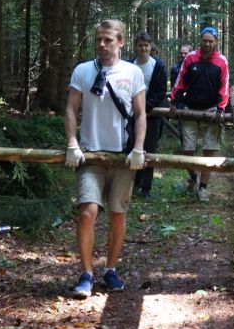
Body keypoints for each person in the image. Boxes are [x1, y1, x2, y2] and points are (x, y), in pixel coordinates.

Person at [64, 19, 146, 299]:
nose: (102, 44)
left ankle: (110, 269)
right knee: (87, 212)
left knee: (117, 214)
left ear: (121, 42)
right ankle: (86, 273)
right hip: (90, 155)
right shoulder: (83, 71)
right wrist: (72, 143)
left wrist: (138, 148)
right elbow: (71, 109)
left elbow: (141, 114)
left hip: (122, 157)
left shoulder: (133, 73)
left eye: (108, 40)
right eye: (98, 39)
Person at [169, 26, 229, 203]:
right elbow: (180, 81)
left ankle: (203, 188)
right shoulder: (190, 58)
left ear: (216, 42)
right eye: (205, 40)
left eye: (211, 41)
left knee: (209, 151)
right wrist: (174, 102)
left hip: (211, 111)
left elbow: (224, 86)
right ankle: (193, 177)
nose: (207, 44)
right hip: (190, 109)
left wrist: (221, 108)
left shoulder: (222, 61)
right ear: (200, 40)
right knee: (187, 150)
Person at [127, 32, 167, 198]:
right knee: (131, 146)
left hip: (152, 115)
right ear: (135, 47)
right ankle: (133, 180)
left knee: (149, 149)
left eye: (146, 45)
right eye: (140, 45)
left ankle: (146, 187)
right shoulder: (129, 65)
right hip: (130, 115)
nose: (143, 48)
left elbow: (161, 91)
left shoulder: (158, 65)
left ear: (150, 47)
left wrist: (145, 108)